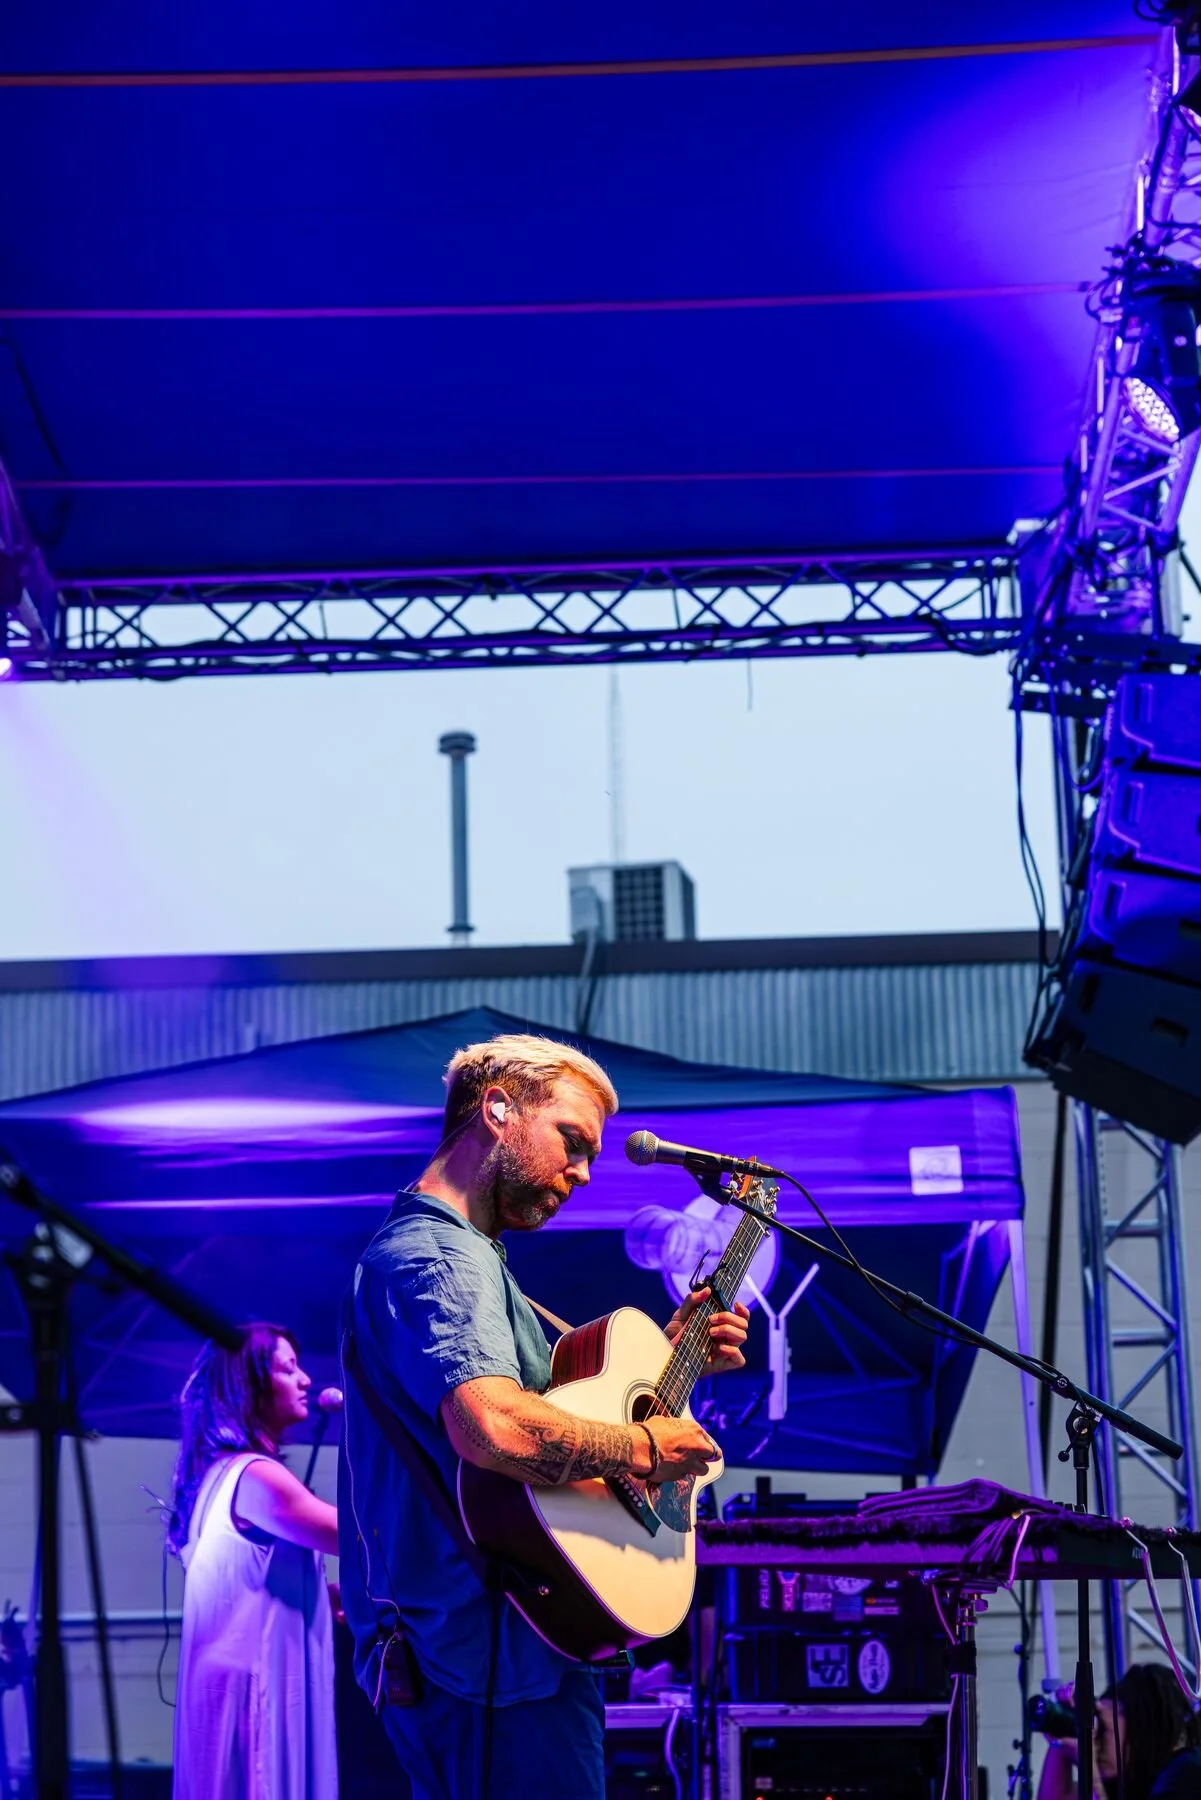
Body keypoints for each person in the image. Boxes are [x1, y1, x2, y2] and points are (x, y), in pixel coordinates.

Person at [338, 1032, 750, 1800]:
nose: (584, 1171)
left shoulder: (470, 1258)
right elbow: (495, 1429)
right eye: (572, 1140)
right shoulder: (440, 1257)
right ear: (498, 1109)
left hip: (507, 1643)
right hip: (481, 1655)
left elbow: (539, 1412)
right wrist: (641, 1446)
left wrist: (676, 1358)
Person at [168, 1321, 341, 1800]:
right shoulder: (256, 1475)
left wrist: (318, 1596)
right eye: (289, 1369)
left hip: (230, 1690)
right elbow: (352, 1535)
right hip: (255, 1692)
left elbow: (248, 1589)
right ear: (251, 1385)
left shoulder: (217, 1476)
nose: (306, 1380)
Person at [1037, 1661, 1201, 1800]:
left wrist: (1091, 1774)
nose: (1095, 1744)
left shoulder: (1186, 1775)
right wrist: (1062, 1733)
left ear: (1141, 1726)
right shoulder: (1126, 1781)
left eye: (1102, 1731)